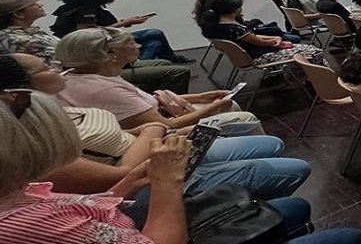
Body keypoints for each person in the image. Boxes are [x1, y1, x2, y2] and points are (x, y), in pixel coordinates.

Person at [0, 89, 361, 244]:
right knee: (348, 236)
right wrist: (166, 179)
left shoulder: (22, 191)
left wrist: (124, 187)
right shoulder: (28, 224)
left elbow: (86, 200)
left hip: (135, 193)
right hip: (157, 206)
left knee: (296, 207)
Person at [0, 53, 310, 227]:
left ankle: (251, 202)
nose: (55, 65)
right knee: (291, 169)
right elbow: (132, 158)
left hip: (155, 158)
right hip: (158, 173)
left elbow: (120, 157)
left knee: (270, 146)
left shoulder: (61, 100)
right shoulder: (38, 148)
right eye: (45, 66)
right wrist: (157, 135)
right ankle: (249, 212)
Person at [55, 27, 263, 131]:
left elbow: (143, 101)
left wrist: (201, 96)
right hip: (166, 133)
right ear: (110, 53)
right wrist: (213, 106)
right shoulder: (104, 89)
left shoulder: (88, 77)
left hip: (159, 116)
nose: (138, 47)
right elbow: (165, 127)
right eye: (131, 43)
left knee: (230, 103)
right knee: (243, 117)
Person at [0, 0, 191, 94]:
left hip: (88, 68)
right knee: (175, 69)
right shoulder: (22, 40)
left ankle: (146, 100)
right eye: (33, 4)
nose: (40, 5)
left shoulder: (27, 33)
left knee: (161, 57)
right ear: (18, 14)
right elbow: (71, 59)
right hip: (84, 76)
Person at [49, 0, 194, 64]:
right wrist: (124, 23)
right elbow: (89, 33)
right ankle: (158, 62)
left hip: (104, 40)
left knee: (155, 43)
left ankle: (143, 64)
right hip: (95, 46)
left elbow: (100, 27)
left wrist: (125, 22)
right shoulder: (85, 11)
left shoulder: (77, 7)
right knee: (155, 33)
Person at [198, 0, 326, 66]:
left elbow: (253, 37)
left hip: (248, 55)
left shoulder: (216, 25)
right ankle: (321, 80)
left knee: (303, 47)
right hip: (257, 56)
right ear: (235, 9)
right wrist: (275, 40)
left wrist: (275, 39)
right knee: (315, 51)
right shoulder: (234, 28)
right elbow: (259, 42)